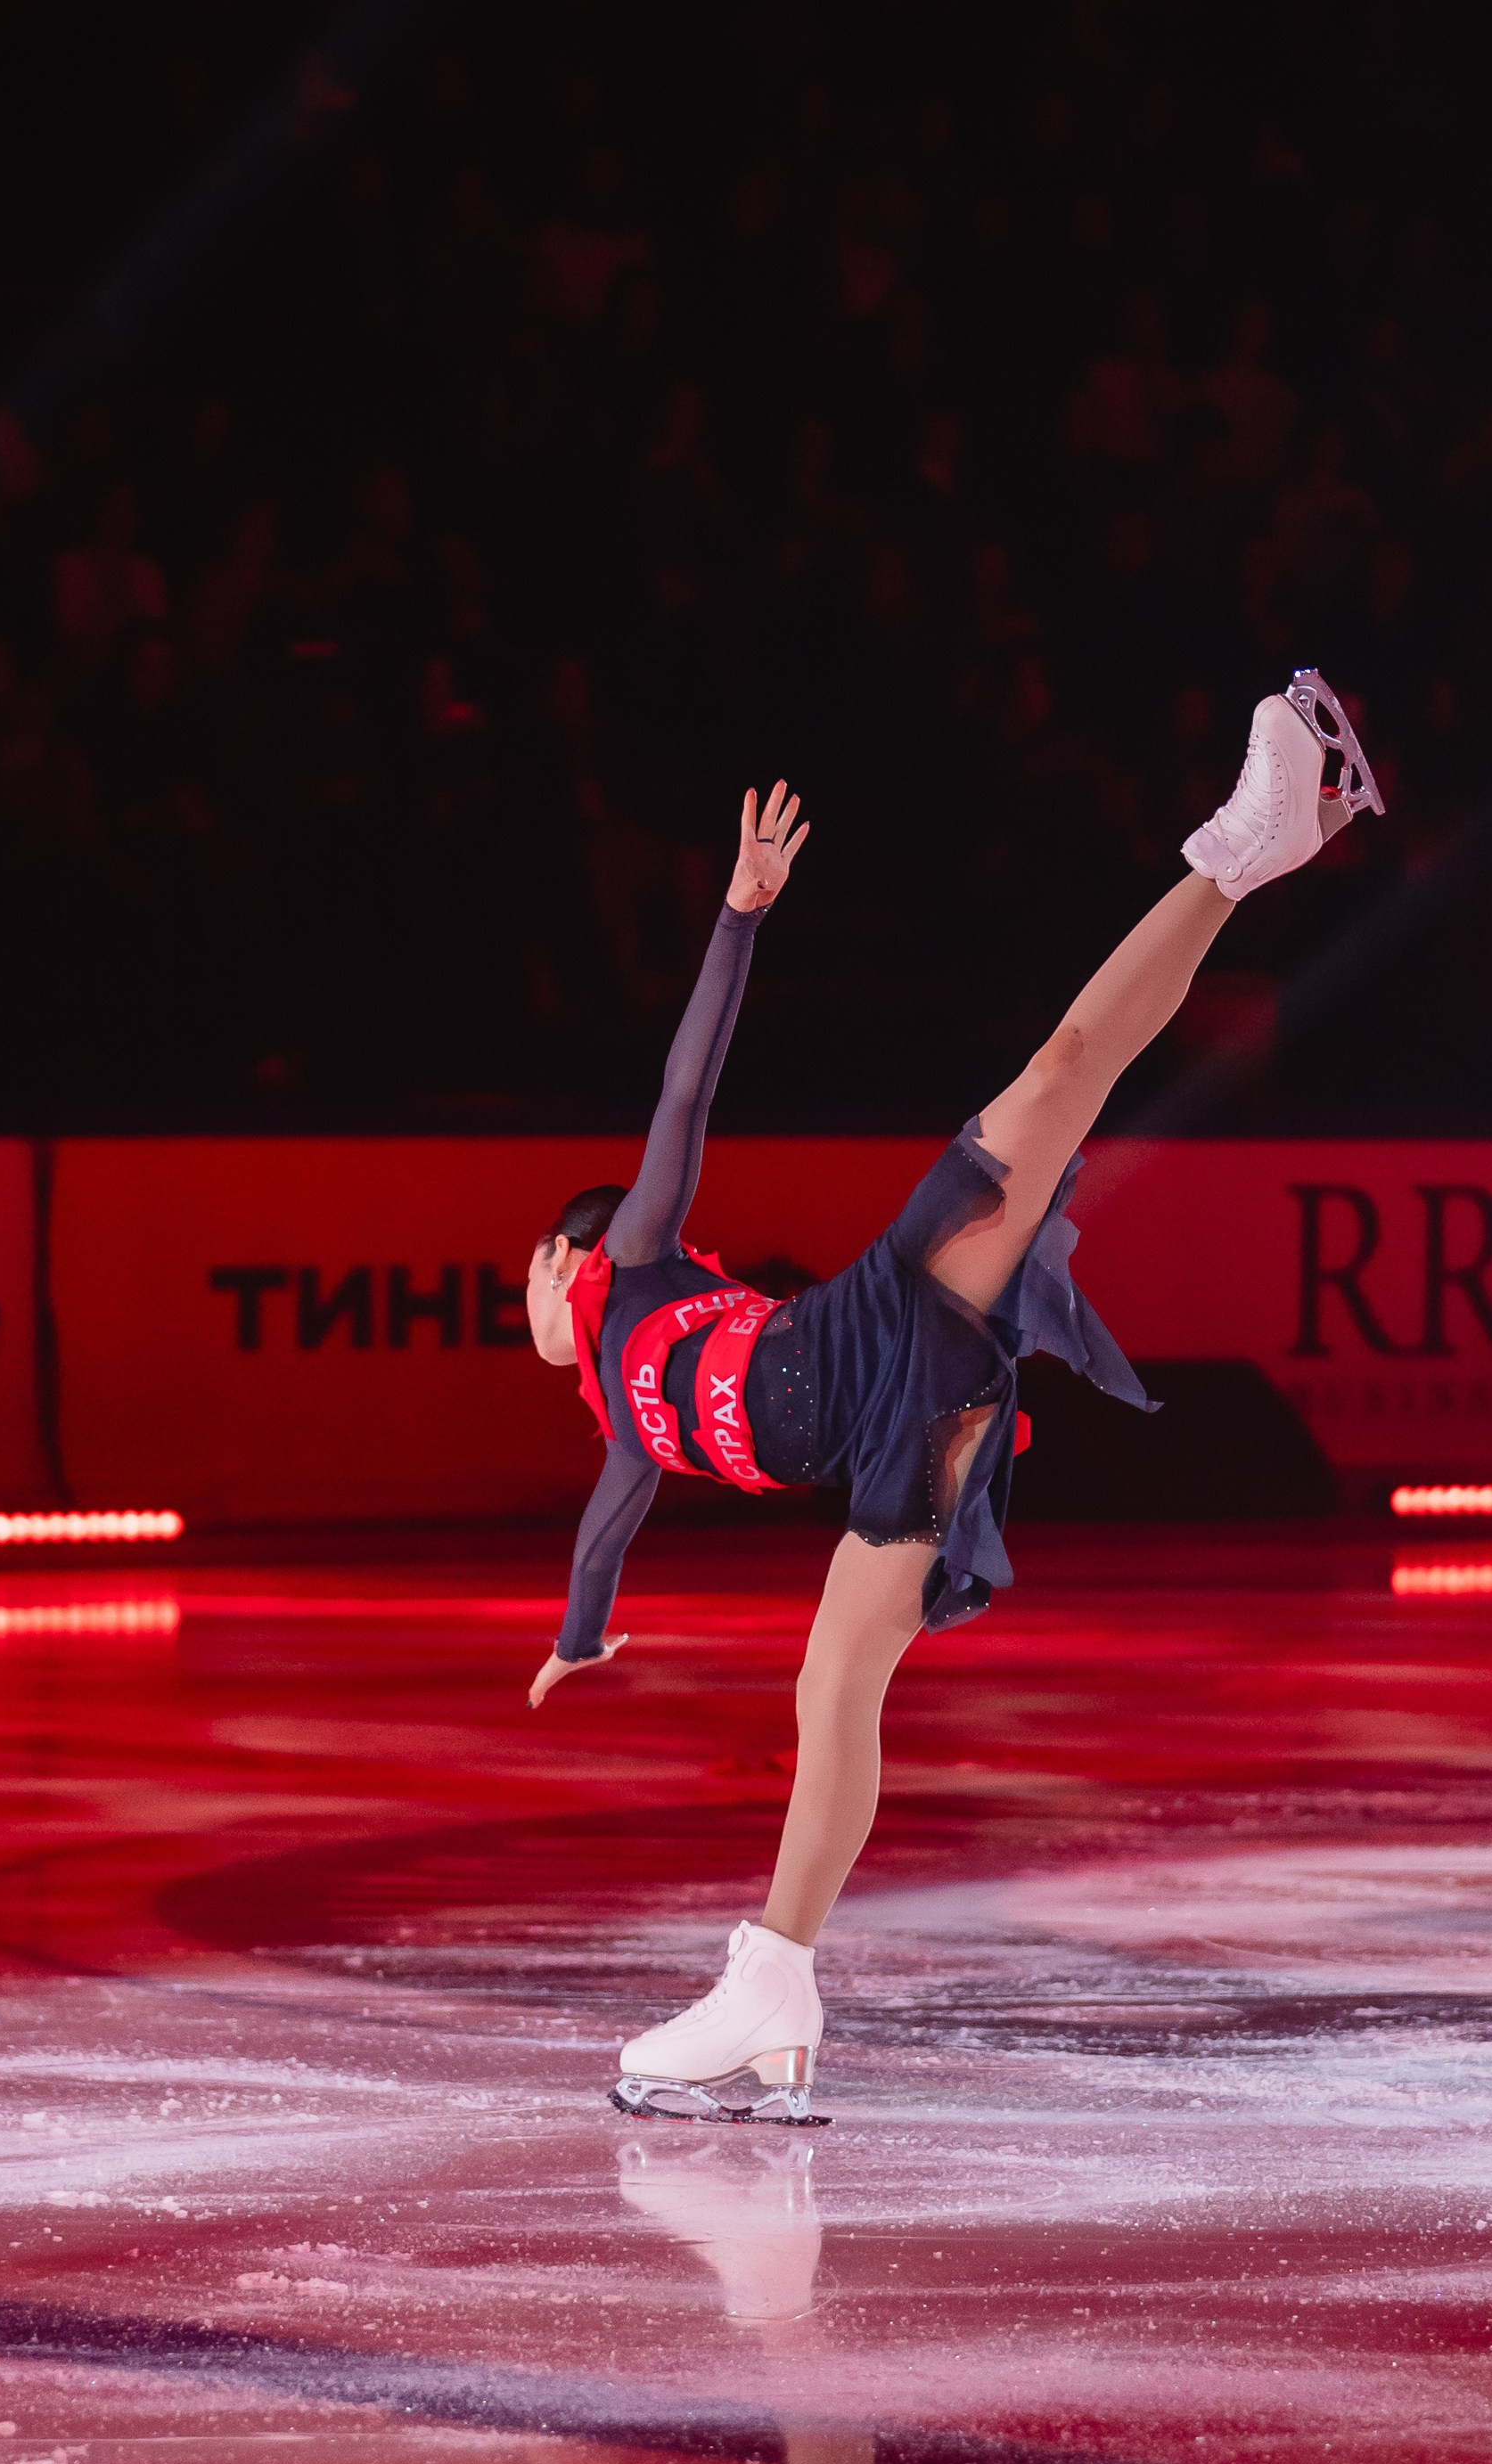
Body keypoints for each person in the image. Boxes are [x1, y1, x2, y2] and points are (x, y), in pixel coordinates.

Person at [523, 675, 1382, 2121]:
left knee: (1054, 1081)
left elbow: (685, 1095)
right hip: (886, 1448)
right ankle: (773, 1990)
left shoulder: (638, 1264)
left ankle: (1251, 837)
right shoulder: (623, 1420)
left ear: (565, 1258)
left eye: (528, 1282)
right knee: (833, 1688)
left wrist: (739, 917)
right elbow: (608, 1532)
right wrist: (578, 1641)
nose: (534, 1309)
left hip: (876, 1325)